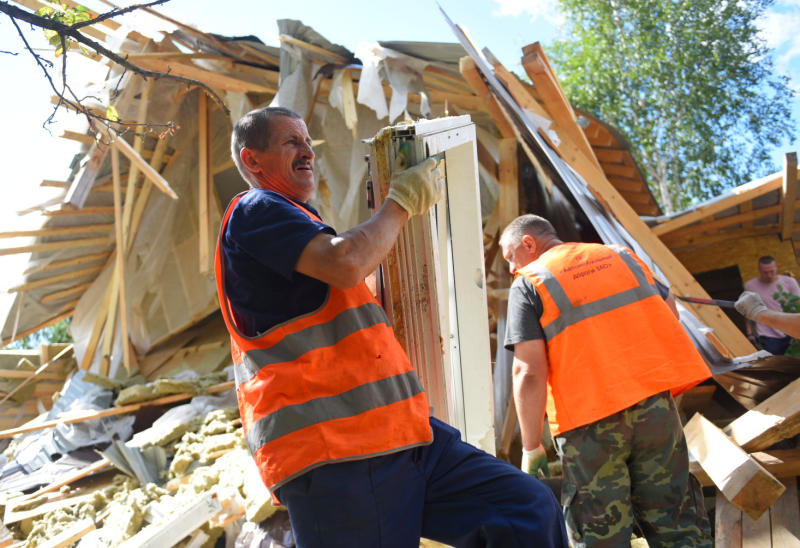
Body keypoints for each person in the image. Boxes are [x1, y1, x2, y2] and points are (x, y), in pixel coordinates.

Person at [214, 107, 568, 547]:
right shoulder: (256, 209)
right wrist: (400, 201)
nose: (307, 151)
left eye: (308, 141)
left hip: (406, 437)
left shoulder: (301, 233)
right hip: (336, 452)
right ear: (252, 160)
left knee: (526, 509)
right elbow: (346, 261)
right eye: (291, 142)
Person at [500, 214, 713, 547]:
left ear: (528, 243)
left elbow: (528, 371)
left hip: (588, 425)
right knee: (677, 522)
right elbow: (668, 313)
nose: (512, 268)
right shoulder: (623, 257)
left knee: (601, 533)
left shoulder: (529, 283)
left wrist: (531, 446)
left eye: (511, 257)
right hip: (655, 408)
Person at [743, 256, 800, 354]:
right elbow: (748, 310)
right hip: (766, 333)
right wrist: (750, 333)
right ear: (759, 270)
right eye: (765, 272)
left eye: (772, 271)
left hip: (790, 330)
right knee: (775, 363)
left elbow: (798, 304)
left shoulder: (789, 282)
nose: (769, 275)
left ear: (777, 267)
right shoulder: (750, 286)